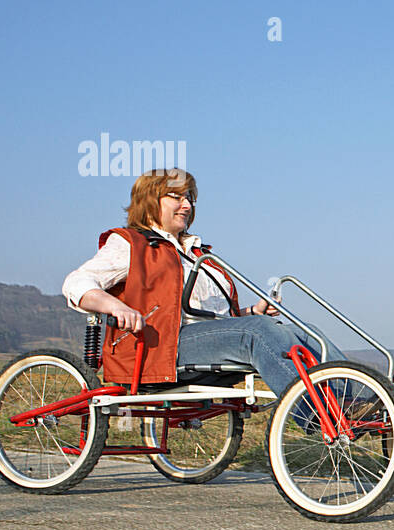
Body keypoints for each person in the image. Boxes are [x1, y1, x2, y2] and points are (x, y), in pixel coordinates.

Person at [62, 168, 350, 399]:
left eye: (189, 198)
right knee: (255, 332)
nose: (186, 205)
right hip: (162, 346)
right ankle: (315, 414)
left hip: (206, 339)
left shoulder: (198, 253)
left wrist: (251, 313)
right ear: (150, 201)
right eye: (176, 197)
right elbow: (77, 283)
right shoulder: (132, 243)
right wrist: (114, 306)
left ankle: (364, 403)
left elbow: (216, 318)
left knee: (308, 333)